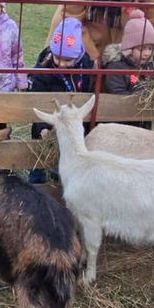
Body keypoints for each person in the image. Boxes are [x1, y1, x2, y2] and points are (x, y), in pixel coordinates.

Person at [27, 17, 95, 184]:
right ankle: (36, 180)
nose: (61, 64)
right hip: (50, 120)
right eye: (57, 58)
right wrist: (43, 127)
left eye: (67, 60)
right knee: (41, 151)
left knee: (71, 150)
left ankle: (62, 177)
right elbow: (38, 98)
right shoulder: (44, 69)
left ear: (77, 55)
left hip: (73, 120)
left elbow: (89, 89)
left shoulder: (85, 64)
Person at [101, 10, 154, 129]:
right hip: (122, 122)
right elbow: (117, 93)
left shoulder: (150, 65)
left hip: (143, 120)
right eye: (141, 49)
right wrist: (141, 99)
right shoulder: (116, 67)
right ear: (129, 48)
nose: (147, 53)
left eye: (150, 48)